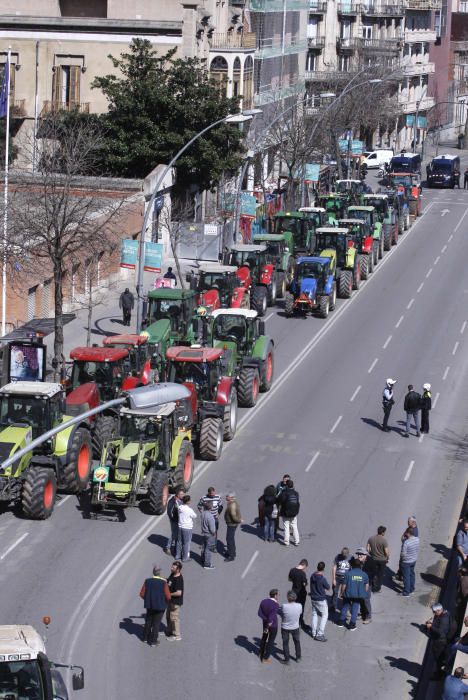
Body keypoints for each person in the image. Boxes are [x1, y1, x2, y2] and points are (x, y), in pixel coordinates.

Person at [140, 565, 171, 646]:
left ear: (153, 573)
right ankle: (153, 641)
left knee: (148, 621)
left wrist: (148, 599)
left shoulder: (147, 581)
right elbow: (168, 596)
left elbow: (142, 594)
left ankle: (145, 638)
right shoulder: (163, 583)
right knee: (156, 623)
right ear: (160, 573)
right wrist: (165, 602)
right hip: (160, 606)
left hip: (150, 605)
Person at [337, 559, 369, 631]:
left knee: (345, 606)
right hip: (358, 595)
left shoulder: (348, 574)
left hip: (348, 594)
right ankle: (352, 624)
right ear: (360, 565)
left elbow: (344, 585)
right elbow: (366, 585)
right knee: (355, 608)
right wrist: (364, 593)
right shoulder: (364, 574)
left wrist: (342, 593)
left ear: (352, 566)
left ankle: (341, 622)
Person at [426, 604, 457, 678]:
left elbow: (441, 632)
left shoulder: (444, 619)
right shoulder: (445, 613)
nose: (433, 613)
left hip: (440, 642)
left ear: (439, 610)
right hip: (442, 641)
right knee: (441, 657)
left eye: (434, 612)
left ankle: (439, 674)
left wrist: (431, 627)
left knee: (438, 658)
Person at [278, 591, 302, 664]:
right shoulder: (299, 605)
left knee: (285, 643)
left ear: (288, 598)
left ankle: (287, 659)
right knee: (297, 642)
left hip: (285, 627)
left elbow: (280, 613)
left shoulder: (284, 606)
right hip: (295, 627)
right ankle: (298, 657)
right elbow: (300, 613)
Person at [310, 562, 330, 642]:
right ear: (323, 569)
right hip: (321, 599)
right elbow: (328, 587)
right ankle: (320, 634)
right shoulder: (322, 579)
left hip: (313, 598)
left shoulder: (312, 576)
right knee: (325, 615)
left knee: (314, 614)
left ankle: (314, 633)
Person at [258, 589, 280, 663]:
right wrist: (269, 622)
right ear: (275, 595)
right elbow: (271, 617)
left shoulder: (263, 601)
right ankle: (265, 658)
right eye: (278, 595)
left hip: (265, 623)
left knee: (264, 638)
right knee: (270, 641)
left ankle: (260, 653)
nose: (278, 596)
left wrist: (265, 620)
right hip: (272, 625)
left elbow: (259, 613)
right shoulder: (275, 605)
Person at [198, 487, 223, 551]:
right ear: (208, 493)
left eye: (213, 493)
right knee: (205, 531)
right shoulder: (204, 498)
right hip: (206, 517)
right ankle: (204, 544)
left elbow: (221, 506)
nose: (213, 495)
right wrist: (202, 513)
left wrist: (218, 513)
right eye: (211, 494)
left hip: (214, 517)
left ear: (215, 491)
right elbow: (199, 506)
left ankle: (214, 546)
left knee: (214, 532)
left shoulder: (218, 497)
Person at [367, 526, 390, 593]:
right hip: (382, 560)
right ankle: (377, 588)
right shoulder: (384, 540)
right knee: (380, 574)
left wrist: (371, 554)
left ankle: (372, 584)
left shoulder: (371, 538)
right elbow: (386, 552)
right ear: (382, 532)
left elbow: (368, 549)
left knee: (374, 573)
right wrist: (387, 557)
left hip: (373, 559)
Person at [277, 479, 300, 547]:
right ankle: (297, 541)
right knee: (294, 527)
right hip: (294, 513)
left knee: (286, 527)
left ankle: (286, 542)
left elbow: (280, 501)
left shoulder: (284, 493)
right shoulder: (296, 493)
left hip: (285, 513)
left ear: (286, 485)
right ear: (292, 485)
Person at [175, 495, 197, 562]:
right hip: (187, 528)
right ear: (188, 501)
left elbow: (178, 505)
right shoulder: (189, 510)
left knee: (179, 542)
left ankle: (177, 555)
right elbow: (194, 516)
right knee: (186, 543)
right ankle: (185, 558)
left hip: (180, 527)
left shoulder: (180, 507)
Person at [355, 548, 374, 624]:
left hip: (367, 584)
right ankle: (363, 613)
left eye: (361, 554)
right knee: (360, 599)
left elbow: (373, 573)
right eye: (358, 554)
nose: (359, 556)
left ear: (365, 555)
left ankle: (368, 617)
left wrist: (364, 577)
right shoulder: (358, 561)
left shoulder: (371, 562)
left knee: (366, 599)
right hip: (359, 583)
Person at [166, 561, 184, 641]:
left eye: (173, 568)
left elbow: (179, 593)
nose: (171, 568)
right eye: (171, 567)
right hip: (170, 601)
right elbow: (168, 581)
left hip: (175, 603)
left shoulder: (179, 579)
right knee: (168, 616)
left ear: (178, 569)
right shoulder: (173, 574)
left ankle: (177, 635)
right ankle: (169, 631)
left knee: (174, 618)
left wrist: (169, 594)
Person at [399, 527, 419, 596]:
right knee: (412, 574)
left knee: (406, 576)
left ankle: (406, 592)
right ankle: (411, 589)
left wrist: (402, 559)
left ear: (408, 533)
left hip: (406, 562)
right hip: (413, 560)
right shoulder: (417, 539)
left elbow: (403, 554)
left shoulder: (406, 543)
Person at [288, 559, 308, 627]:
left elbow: (289, 579)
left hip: (294, 591)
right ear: (304, 565)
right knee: (300, 608)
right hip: (301, 593)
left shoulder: (292, 570)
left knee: (293, 607)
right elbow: (305, 584)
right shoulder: (302, 574)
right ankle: (300, 621)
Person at [165, 487, 185, 556]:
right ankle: (168, 548)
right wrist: (173, 519)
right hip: (175, 521)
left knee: (178, 535)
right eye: (181, 494)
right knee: (174, 534)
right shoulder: (172, 501)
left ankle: (175, 547)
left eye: (183, 494)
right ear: (177, 495)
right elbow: (169, 512)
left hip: (180, 520)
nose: (183, 495)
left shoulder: (181, 500)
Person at [332, 547, 351, 612]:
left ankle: (345, 607)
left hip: (346, 578)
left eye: (345, 556)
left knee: (344, 593)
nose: (343, 556)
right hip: (337, 577)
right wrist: (334, 579)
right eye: (343, 555)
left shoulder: (351, 558)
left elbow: (352, 569)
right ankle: (334, 606)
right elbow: (334, 567)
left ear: (348, 554)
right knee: (335, 592)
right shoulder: (338, 557)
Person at [224, 493, 242, 562]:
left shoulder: (232, 506)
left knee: (229, 539)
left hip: (232, 524)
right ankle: (232, 552)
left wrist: (239, 520)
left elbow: (234, 516)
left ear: (231, 498)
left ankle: (231, 556)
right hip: (231, 524)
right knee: (230, 538)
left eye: (227, 496)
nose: (226, 497)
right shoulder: (231, 503)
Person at [200, 501, 216, 570]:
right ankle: (207, 564)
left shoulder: (203, 514)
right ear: (211, 508)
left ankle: (203, 558)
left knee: (204, 547)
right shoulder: (210, 516)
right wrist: (214, 533)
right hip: (209, 534)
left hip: (203, 533)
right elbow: (212, 529)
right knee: (208, 549)